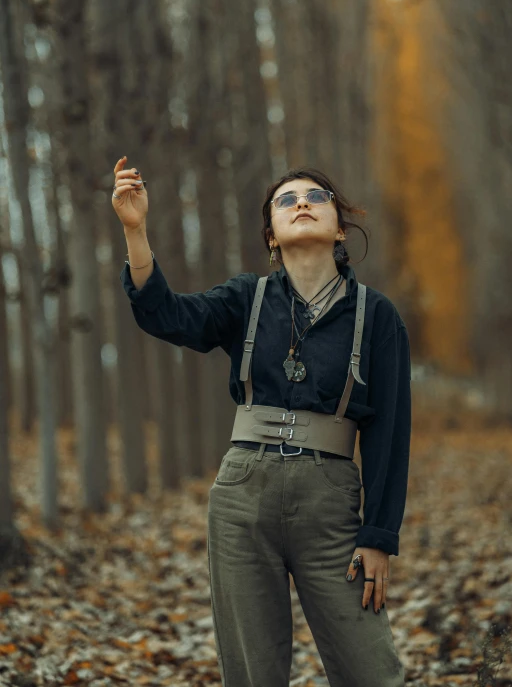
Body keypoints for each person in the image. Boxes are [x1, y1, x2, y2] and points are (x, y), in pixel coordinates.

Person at [112, 155, 411, 687]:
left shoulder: (376, 314)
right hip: (242, 495)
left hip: (330, 500)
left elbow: (390, 431)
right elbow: (168, 315)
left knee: (373, 670)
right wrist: (136, 232)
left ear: (339, 227)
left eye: (316, 197)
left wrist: (379, 534)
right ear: (271, 235)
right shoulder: (246, 298)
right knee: (253, 674)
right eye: (286, 200)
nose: (301, 204)